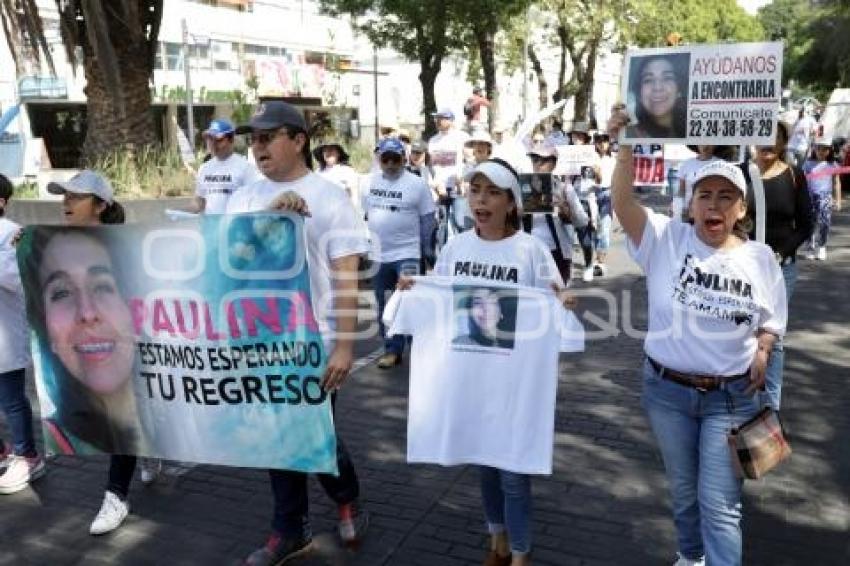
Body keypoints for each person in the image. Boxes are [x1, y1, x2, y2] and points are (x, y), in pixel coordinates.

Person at [609, 105, 787, 566]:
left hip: (731, 400)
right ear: (689, 203)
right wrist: (624, 149)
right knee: (685, 495)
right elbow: (623, 205)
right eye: (704, 194)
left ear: (741, 208)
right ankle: (690, 558)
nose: (714, 204)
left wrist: (765, 346)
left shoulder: (761, 258)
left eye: (726, 197)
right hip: (666, 393)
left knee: (721, 507)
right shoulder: (665, 239)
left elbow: (773, 317)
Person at [398, 157, 576, 566]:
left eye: (492, 192)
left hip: (512, 380)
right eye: (475, 190)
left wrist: (561, 300)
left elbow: (551, 300)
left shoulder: (530, 250)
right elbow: (440, 295)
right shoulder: (457, 246)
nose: (481, 199)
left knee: (513, 472)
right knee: (483, 463)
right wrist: (416, 287)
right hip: (471, 375)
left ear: (511, 203)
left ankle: (520, 553)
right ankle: (495, 539)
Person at [227, 101, 370, 564]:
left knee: (312, 431)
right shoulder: (243, 197)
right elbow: (228, 263)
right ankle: (291, 529)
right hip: (258, 338)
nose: (258, 146)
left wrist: (345, 347)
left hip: (314, 339)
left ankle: (345, 494)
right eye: (254, 139)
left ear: (299, 141)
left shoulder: (329, 197)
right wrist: (272, 220)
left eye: (268, 137)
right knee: (275, 434)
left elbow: (346, 275)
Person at [38, 169, 158, 535]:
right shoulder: (57, 245)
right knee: (132, 411)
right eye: (64, 196)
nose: (66, 203)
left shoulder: (127, 243)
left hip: (133, 341)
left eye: (75, 196)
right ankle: (147, 453)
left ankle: (116, 495)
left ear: (101, 205)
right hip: (95, 348)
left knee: (127, 411)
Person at [750, 121, 814, 410]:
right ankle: (742, 399)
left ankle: (769, 407)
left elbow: (805, 226)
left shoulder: (794, 175)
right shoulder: (741, 173)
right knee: (740, 331)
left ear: (782, 143)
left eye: (773, 137)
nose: (766, 143)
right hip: (742, 268)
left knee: (771, 336)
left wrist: (779, 254)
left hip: (780, 270)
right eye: (761, 136)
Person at [363, 137, 435, 369]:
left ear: (404, 159)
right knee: (385, 304)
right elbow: (363, 216)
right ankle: (392, 349)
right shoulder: (368, 183)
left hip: (408, 253)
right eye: (386, 158)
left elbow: (428, 220)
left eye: (396, 158)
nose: (391, 163)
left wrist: (427, 251)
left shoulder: (417, 184)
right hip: (379, 255)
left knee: (410, 302)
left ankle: (421, 347)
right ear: (379, 159)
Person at [0, 174, 46, 495]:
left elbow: (18, 279)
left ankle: (28, 455)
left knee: (12, 400)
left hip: (5, 332)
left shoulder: (13, 233)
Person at [524, 143, 587, 285]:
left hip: (557, 251)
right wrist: (518, 210)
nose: (538, 164)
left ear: (554, 163)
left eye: (543, 160)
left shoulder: (564, 188)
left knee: (558, 296)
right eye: (535, 159)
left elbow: (582, 221)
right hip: (528, 250)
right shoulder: (522, 187)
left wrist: (565, 209)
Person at [185, 119, 259, 214]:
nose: (214, 144)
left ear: (231, 140)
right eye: (210, 139)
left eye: (218, 140)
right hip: (211, 227)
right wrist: (183, 211)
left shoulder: (246, 168)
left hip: (235, 227)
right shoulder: (204, 168)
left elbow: (254, 201)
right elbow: (200, 201)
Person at [428, 109, 470, 240]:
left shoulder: (463, 137)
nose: (438, 121)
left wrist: (463, 180)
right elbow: (432, 166)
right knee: (441, 225)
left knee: (461, 222)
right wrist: (435, 184)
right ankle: (443, 257)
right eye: (437, 118)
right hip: (440, 189)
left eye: (441, 118)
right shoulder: (433, 140)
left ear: (451, 120)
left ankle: (465, 255)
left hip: (458, 188)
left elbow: (470, 161)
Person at [625, 54, 688, 139]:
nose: (657, 87)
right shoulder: (628, 134)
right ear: (639, 91)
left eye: (667, 78)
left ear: (679, 88)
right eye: (648, 80)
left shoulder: (694, 132)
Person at [802, 137, 842, 261]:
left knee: (825, 222)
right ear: (814, 149)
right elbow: (802, 181)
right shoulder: (808, 163)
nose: (821, 151)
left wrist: (838, 200)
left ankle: (822, 246)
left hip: (825, 197)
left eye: (825, 149)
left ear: (829, 151)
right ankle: (810, 245)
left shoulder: (832, 164)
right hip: (810, 196)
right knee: (811, 222)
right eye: (818, 148)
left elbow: (836, 182)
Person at [593, 133, 616, 276]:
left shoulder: (614, 159)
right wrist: (596, 173)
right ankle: (596, 256)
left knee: (605, 228)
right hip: (592, 194)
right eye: (599, 142)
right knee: (595, 227)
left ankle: (600, 260)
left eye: (605, 142)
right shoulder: (590, 158)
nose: (602, 145)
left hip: (608, 193)